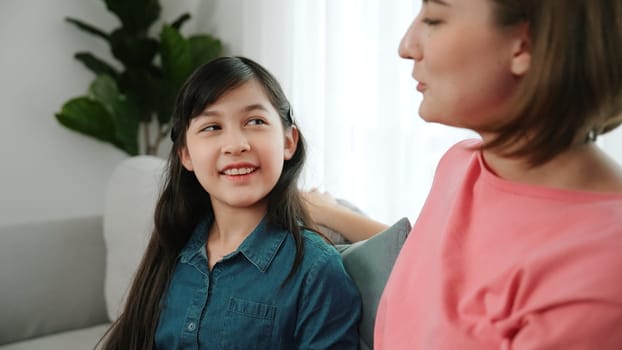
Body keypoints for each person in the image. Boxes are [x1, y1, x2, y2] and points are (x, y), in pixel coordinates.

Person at [306, 0, 622, 348]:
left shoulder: (602, 266)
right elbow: (442, 275)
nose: (406, 46)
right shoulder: (461, 165)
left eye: (434, 19)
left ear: (526, 45)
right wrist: (331, 214)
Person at [98, 56, 361, 350]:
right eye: (212, 127)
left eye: (255, 121)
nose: (236, 144)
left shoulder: (317, 270)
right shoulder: (173, 250)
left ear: (288, 141)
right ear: (185, 153)